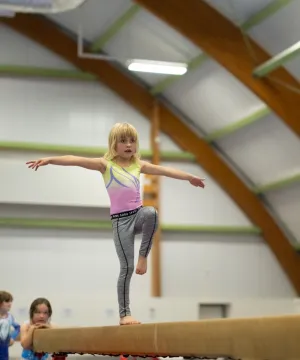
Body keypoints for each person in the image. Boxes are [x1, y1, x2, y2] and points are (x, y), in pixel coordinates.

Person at [26, 122, 205, 325]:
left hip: (137, 215)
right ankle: (124, 314)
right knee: (126, 268)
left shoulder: (140, 165)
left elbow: (165, 170)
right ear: (114, 144)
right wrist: (50, 160)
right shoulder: (106, 165)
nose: (128, 144)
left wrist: (189, 177)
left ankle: (143, 257)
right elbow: (76, 160)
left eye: (132, 140)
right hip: (120, 223)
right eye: (123, 141)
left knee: (152, 213)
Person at [0, 290, 20, 360]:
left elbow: (18, 327)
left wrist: (12, 337)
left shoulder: (10, 317)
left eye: (11, 301)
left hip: (4, 348)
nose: (10, 304)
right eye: (7, 301)